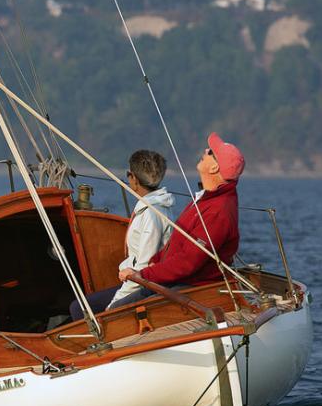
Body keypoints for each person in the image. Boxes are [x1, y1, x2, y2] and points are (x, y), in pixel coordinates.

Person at [118, 132, 244, 291]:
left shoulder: (217, 212)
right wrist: (156, 260)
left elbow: (189, 261)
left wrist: (143, 275)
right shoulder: (207, 199)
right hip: (174, 280)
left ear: (214, 167)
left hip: (190, 287)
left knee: (93, 310)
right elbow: (180, 242)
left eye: (211, 152)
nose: (206, 150)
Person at [79, 150, 174, 316]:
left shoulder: (152, 214)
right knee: (85, 304)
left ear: (134, 179)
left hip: (146, 285)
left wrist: (115, 303)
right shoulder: (153, 208)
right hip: (137, 280)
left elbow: (143, 268)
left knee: (81, 308)